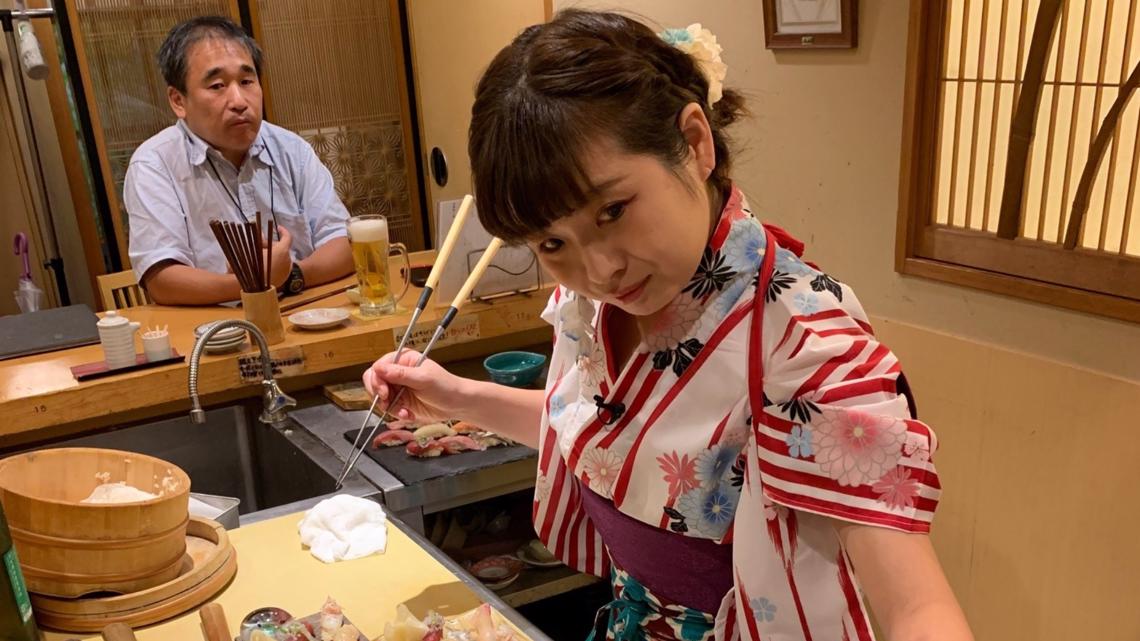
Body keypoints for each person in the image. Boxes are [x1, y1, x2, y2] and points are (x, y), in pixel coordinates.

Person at [364, 10, 973, 641]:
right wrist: (455, 397)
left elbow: (917, 609)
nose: (598, 268)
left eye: (613, 210)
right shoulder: (600, 305)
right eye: (551, 242)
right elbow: (610, 436)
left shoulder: (803, 343)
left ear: (695, 142)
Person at [123, 16, 353, 305]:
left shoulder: (290, 149)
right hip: (216, 335)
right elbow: (162, 280)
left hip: (305, 318)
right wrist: (255, 282)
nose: (239, 100)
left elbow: (345, 242)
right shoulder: (154, 164)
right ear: (178, 101)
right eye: (217, 86)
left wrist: (291, 275)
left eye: (247, 81)